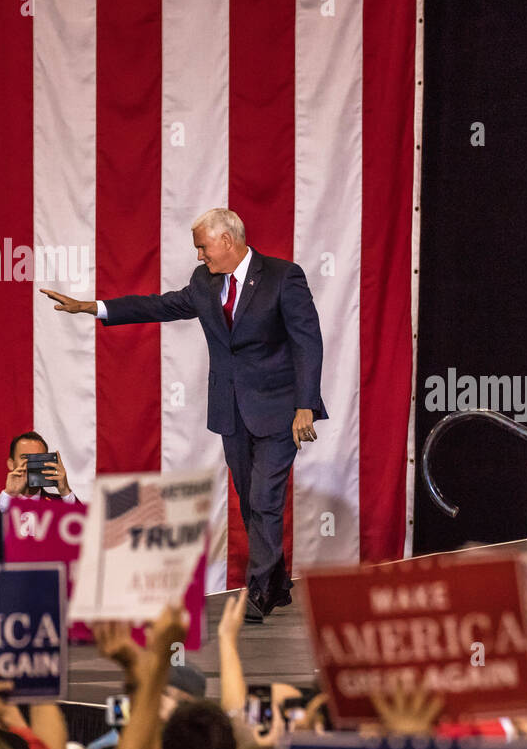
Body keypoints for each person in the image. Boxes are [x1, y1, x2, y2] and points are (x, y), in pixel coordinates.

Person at [40, 208, 327, 624]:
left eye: (202, 246)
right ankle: (279, 584)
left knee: (265, 498)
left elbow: (308, 341)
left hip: (280, 412)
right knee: (251, 500)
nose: (198, 256)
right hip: (231, 412)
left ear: (227, 241)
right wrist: (93, 307)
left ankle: (261, 590)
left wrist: (306, 405)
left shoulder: (284, 277)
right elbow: (161, 305)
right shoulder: (204, 283)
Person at [0, 431, 77, 563]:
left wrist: (65, 491)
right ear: (11, 464)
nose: (31, 465)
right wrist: (8, 496)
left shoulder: (60, 505)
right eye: (25, 458)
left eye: (38, 459)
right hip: (9, 581)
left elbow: (85, 539)